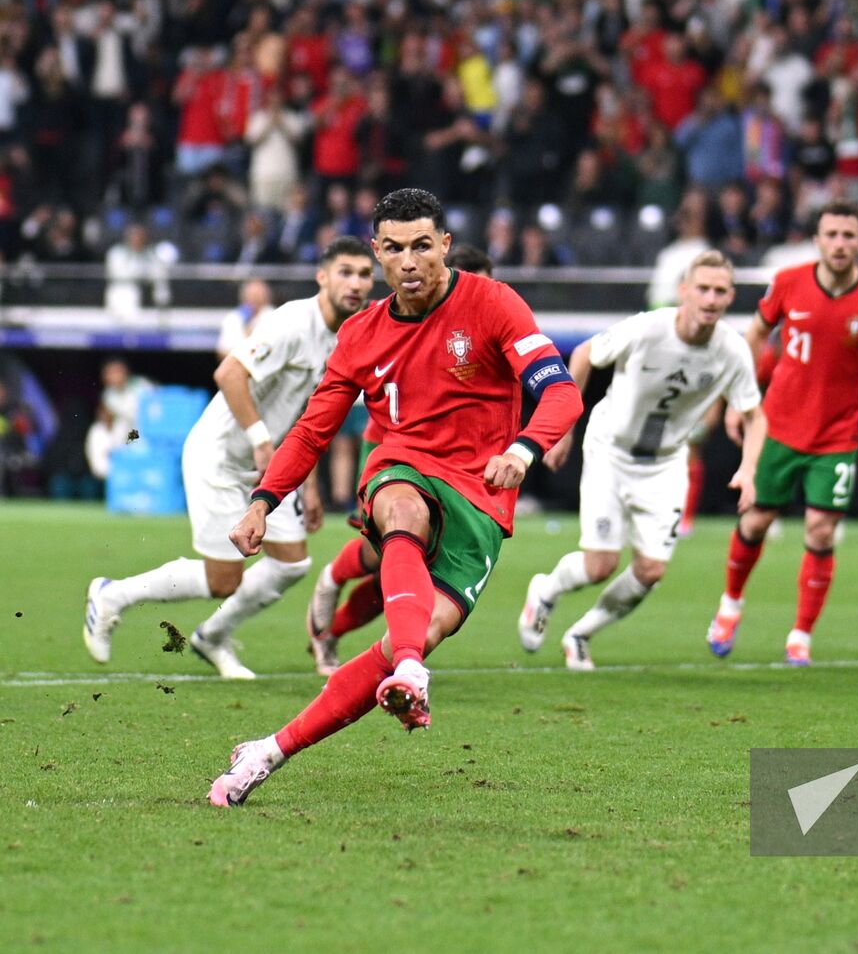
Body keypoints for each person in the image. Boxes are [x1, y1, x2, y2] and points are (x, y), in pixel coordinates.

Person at [207, 189, 583, 807]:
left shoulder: (493, 304)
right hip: (403, 465)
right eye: (394, 249)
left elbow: (562, 393)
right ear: (379, 253)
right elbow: (312, 428)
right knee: (400, 505)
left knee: (407, 640)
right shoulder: (359, 334)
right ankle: (411, 666)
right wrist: (263, 500)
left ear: (443, 247)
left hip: (483, 496)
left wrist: (523, 449)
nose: (409, 261)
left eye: (421, 247)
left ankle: (269, 750)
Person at [83, 238, 376, 678]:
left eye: (364, 274)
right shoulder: (294, 321)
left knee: (292, 562)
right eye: (345, 272)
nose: (355, 283)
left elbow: (307, 415)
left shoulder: (345, 337)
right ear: (323, 277)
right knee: (226, 579)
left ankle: (212, 637)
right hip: (220, 455)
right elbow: (228, 373)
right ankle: (112, 595)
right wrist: (260, 439)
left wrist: (308, 484)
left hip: (269, 464)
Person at [518, 250, 766, 670]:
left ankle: (580, 634)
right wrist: (563, 428)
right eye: (702, 289)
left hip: (666, 463)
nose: (710, 298)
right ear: (683, 291)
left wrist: (748, 469)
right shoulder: (649, 328)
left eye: (719, 291)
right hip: (609, 450)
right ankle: (545, 590)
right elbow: (582, 356)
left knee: (650, 570)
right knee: (601, 564)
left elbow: (755, 416)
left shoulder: (732, 350)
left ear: (730, 298)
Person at [705, 200, 858, 666]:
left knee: (821, 530)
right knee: (755, 521)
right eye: (831, 234)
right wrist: (742, 400)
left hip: (838, 435)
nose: (839, 244)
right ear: (817, 240)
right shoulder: (789, 283)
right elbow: (754, 337)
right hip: (777, 426)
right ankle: (730, 605)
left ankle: (801, 635)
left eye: (848, 235)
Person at [305, 243, 497, 676]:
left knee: (406, 577)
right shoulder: (410, 315)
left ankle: (338, 635)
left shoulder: (494, 323)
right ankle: (334, 579)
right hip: (392, 450)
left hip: (457, 464)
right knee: (388, 555)